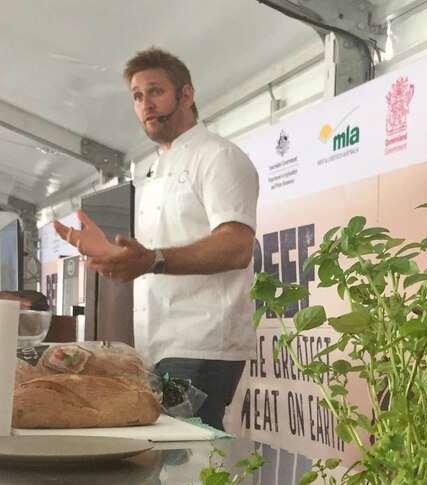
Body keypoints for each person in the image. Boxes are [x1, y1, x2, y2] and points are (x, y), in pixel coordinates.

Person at [53, 47, 259, 430]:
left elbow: (236, 246)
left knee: (183, 461)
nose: (146, 104)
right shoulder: (154, 169)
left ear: (186, 94)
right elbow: (157, 254)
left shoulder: (218, 157)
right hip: (156, 346)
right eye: (136, 96)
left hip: (201, 344)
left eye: (156, 91)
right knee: (165, 459)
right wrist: (113, 255)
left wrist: (151, 261)